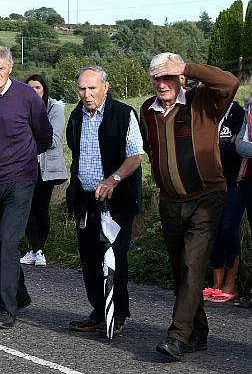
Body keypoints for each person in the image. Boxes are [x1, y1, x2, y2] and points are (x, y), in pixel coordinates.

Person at [139, 53, 239, 361]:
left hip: (206, 198)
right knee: (181, 273)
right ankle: (198, 332)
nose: (162, 82)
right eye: (157, 76)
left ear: (181, 77)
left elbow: (231, 82)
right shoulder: (147, 109)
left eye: (169, 75)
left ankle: (177, 336)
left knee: (191, 265)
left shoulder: (203, 100)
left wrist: (189, 68)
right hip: (170, 202)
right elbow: (150, 147)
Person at [0, 45, 52, 329]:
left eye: (0, 69)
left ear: (10, 69)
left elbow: (44, 135)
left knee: (8, 240)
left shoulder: (27, 97)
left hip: (20, 180)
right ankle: (20, 293)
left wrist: (23, 160)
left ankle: (7, 308)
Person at [65, 66, 144, 337]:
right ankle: (100, 312)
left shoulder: (124, 114)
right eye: (82, 89)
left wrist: (114, 180)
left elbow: (135, 156)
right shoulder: (76, 116)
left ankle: (118, 313)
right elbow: (75, 154)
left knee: (114, 258)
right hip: (86, 201)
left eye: (92, 88)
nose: (87, 94)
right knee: (89, 259)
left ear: (105, 88)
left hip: (117, 200)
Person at [20, 74, 67, 267]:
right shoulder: (21, 108)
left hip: (48, 167)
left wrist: (27, 138)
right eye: (29, 88)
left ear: (44, 89)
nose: (33, 92)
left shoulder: (55, 108)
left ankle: (39, 250)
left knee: (41, 207)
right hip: (25, 166)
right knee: (26, 207)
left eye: (37, 88)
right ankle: (36, 250)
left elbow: (53, 141)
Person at [204, 101, 245, 303]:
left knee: (228, 230)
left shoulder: (237, 113)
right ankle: (216, 283)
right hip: (210, 183)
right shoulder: (207, 112)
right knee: (214, 230)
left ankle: (232, 282)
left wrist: (213, 152)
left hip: (234, 182)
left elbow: (237, 149)